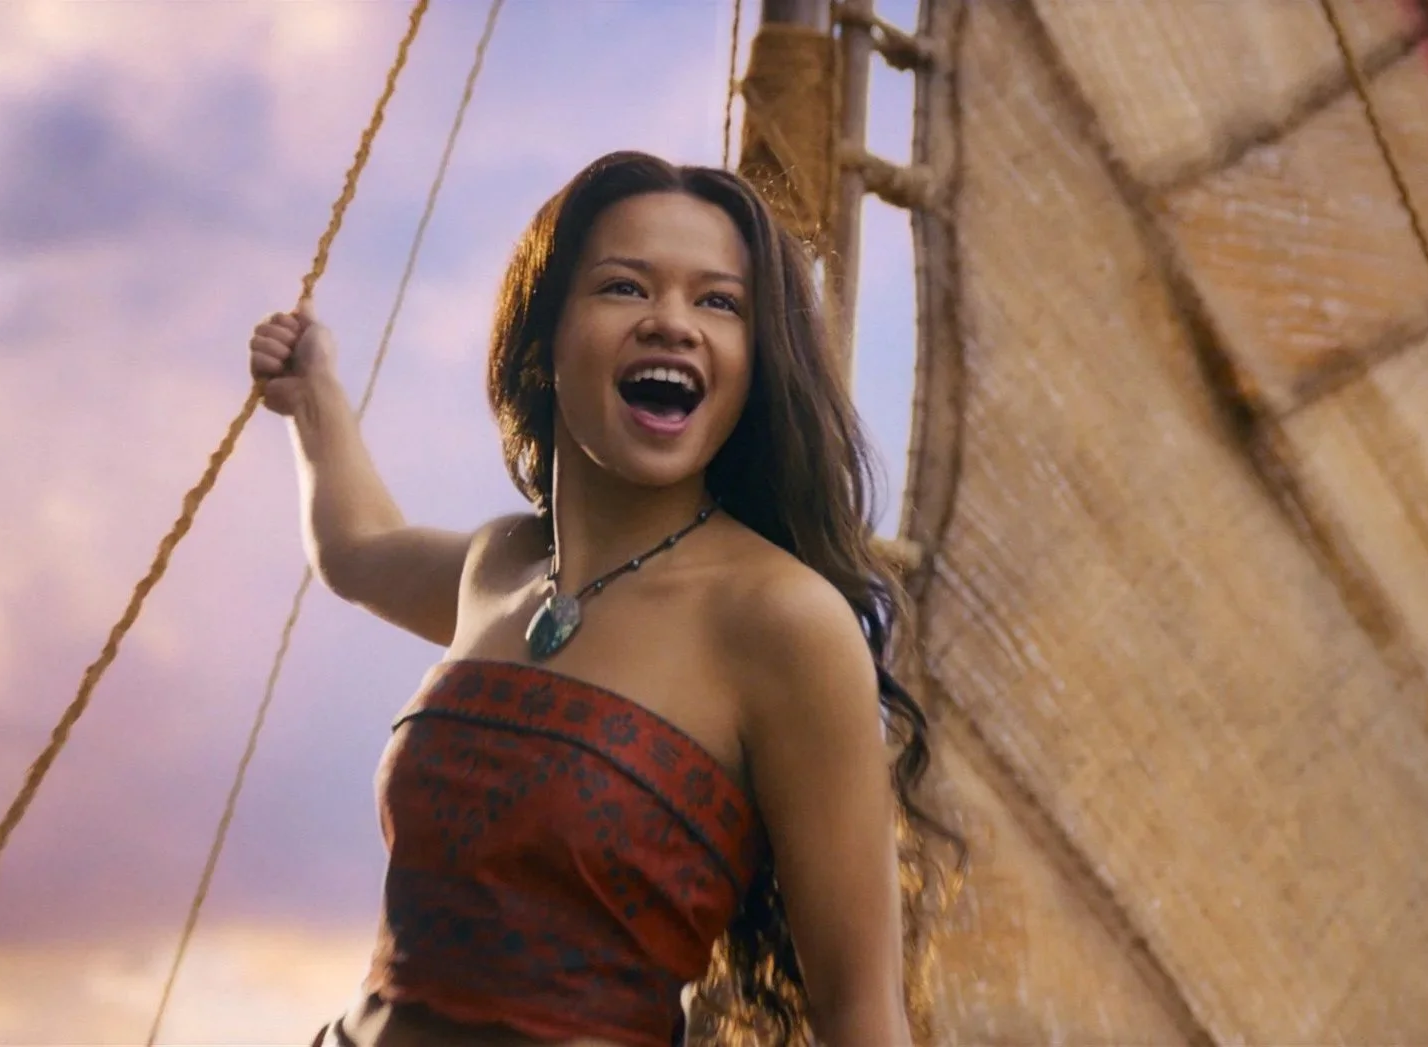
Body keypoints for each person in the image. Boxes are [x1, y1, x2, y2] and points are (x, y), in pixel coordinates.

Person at [248, 151, 961, 1047]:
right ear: (545, 338)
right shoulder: (500, 565)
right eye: (625, 288)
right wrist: (312, 393)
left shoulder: (783, 621)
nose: (673, 323)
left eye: (718, 302)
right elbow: (355, 550)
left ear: (755, 359)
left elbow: (861, 1015)